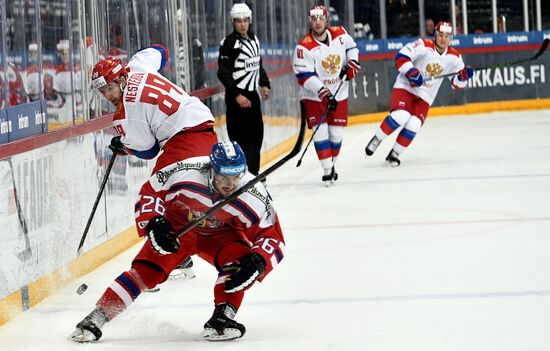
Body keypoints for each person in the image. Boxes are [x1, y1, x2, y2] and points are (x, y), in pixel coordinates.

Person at [69, 141, 285, 342]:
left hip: (222, 234)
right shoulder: (184, 171)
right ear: (212, 169)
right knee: (146, 271)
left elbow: (272, 235)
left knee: (241, 265)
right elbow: (150, 192)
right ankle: (96, 317)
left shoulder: (253, 193)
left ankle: (223, 316)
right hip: (180, 227)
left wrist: (258, 261)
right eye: (223, 177)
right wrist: (154, 222)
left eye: (236, 176)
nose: (230, 184)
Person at [90, 45, 217, 280]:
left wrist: (125, 146)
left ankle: (167, 261)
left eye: (109, 88)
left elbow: (149, 150)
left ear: (120, 79)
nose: (107, 96)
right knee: (178, 196)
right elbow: (160, 50)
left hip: (184, 139)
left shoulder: (126, 112)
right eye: (102, 92)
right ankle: (182, 254)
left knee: (154, 196)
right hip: (201, 124)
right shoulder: (137, 64)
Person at [364, 21, 474, 166]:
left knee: (414, 124)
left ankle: (394, 154)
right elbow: (401, 57)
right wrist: (411, 71)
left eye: (447, 36)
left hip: (425, 96)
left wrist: (463, 77)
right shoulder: (423, 45)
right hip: (406, 87)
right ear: (435, 34)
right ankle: (377, 139)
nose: (443, 39)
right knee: (401, 115)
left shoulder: (455, 57)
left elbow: (457, 84)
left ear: (451, 37)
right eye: (440, 35)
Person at [292, 5, 360, 185]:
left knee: (336, 134)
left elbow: (352, 48)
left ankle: (333, 164)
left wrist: (352, 64)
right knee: (320, 132)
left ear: (326, 19)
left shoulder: (340, 33)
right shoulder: (304, 46)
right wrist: (324, 93)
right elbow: (304, 75)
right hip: (314, 97)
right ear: (310, 21)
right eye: (314, 19)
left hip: (339, 92)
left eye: (320, 19)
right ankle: (327, 169)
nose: (317, 23)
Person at [217, 3, 270, 176]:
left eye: (245, 20)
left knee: (257, 136)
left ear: (250, 20)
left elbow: (257, 64)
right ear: (233, 22)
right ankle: (242, 175)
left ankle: (254, 174)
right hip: (236, 97)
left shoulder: (254, 39)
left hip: (252, 96)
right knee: (241, 139)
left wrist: (264, 84)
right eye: (238, 20)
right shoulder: (229, 43)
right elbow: (223, 73)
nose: (242, 24)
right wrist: (237, 95)